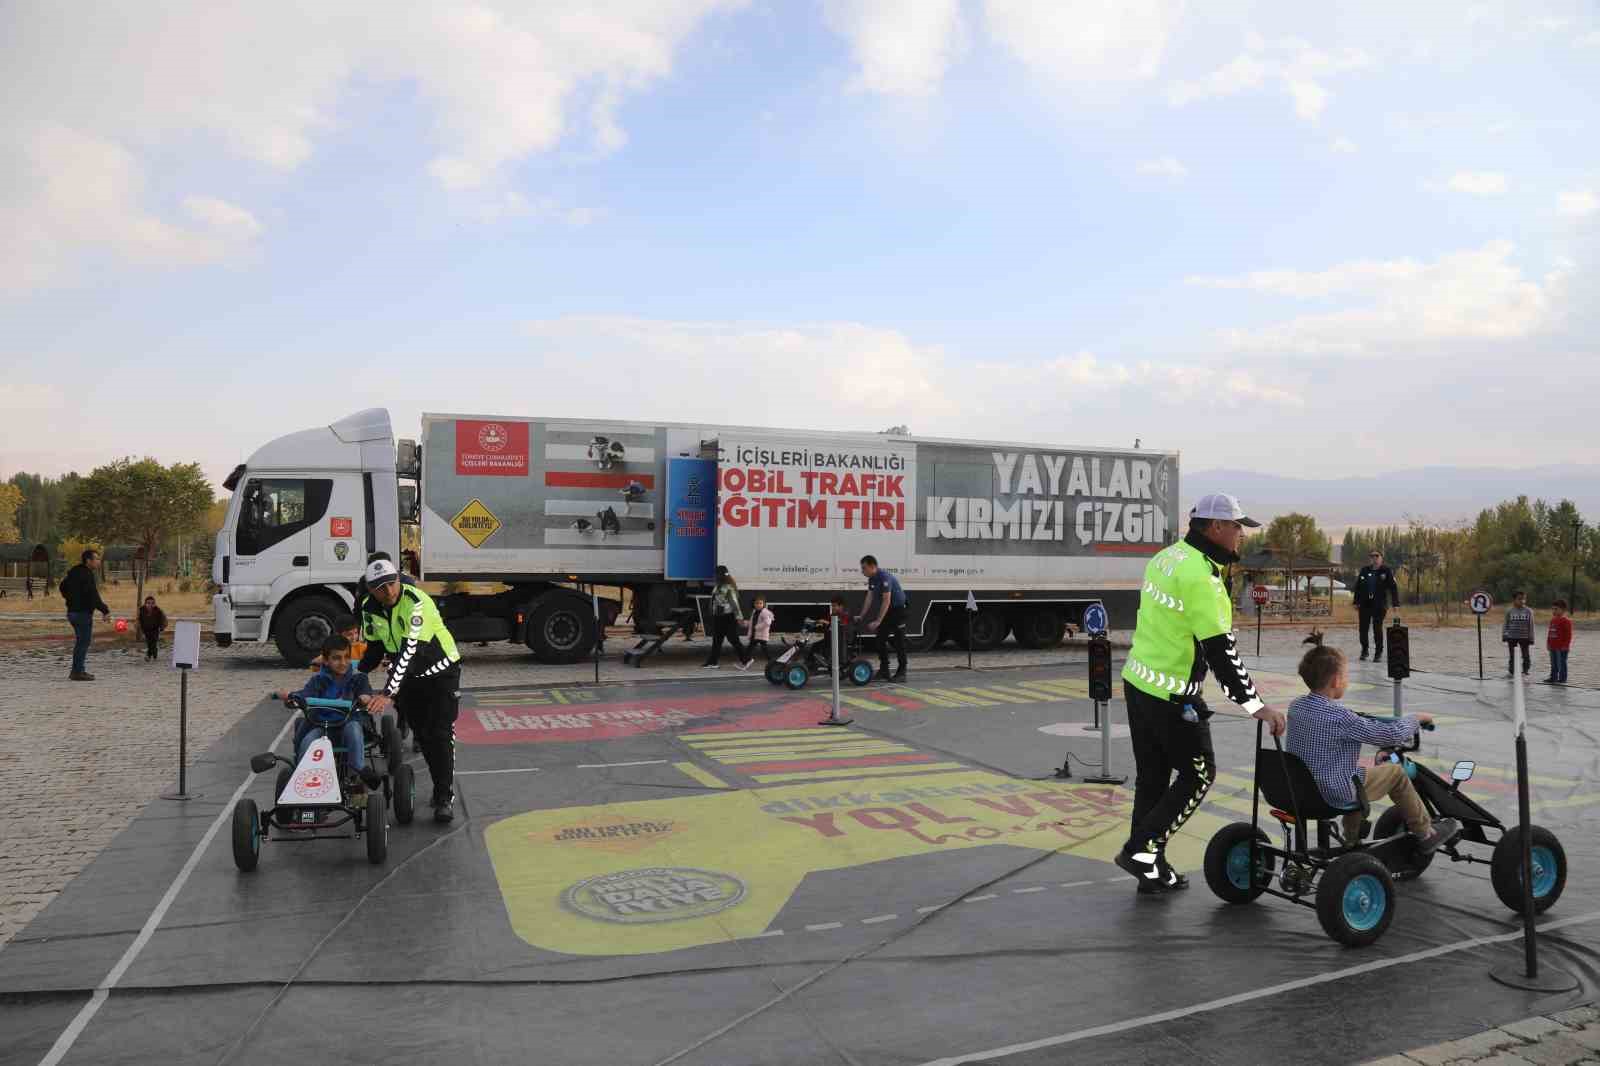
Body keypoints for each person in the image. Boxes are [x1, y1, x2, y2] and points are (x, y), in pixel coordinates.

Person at [1117, 494, 1287, 894]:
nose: (1241, 535)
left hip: (1139, 681)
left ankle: (1148, 866)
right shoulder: (1202, 578)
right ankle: (1142, 849)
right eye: (1236, 527)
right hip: (1172, 694)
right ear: (1214, 528)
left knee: (1154, 778)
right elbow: (1220, 652)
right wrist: (1255, 705)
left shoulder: (1166, 557)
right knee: (1198, 774)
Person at [1286, 645, 1460, 853]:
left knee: (1358, 774)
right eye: (1346, 675)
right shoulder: (1341, 717)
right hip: (1332, 792)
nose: (1347, 680)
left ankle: (1351, 840)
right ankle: (1425, 832)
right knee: (1394, 772)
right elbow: (1390, 735)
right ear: (1336, 681)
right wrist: (1416, 719)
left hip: (1298, 787)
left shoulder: (1296, 706)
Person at [359, 559, 463, 822]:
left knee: (440, 734)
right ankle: (440, 788)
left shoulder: (417, 603)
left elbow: (408, 653)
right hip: (408, 679)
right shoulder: (368, 609)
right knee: (423, 735)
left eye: (391, 583)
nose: (389, 591)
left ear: (398, 579)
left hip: (440, 673)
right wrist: (352, 674)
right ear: (371, 590)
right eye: (380, 587)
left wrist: (386, 693)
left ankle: (444, 797)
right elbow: (374, 649)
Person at [285, 634, 381, 789]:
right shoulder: (318, 681)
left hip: (347, 724)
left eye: (346, 657)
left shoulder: (358, 678)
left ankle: (359, 767)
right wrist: (292, 698)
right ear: (325, 660)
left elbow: (365, 693)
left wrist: (365, 698)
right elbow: (305, 694)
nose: (343, 663)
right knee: (307, 740)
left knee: (354, 729)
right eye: (336, 658)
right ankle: (302, 773)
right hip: (322, 726)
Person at [59, 549, 110, 681]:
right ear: (88, 561)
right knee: (83, 642)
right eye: (97, 559)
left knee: (80, 642)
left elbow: (62, 586)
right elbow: (92, 595)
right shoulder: (87, 574)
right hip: (82, 613)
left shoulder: (73, 573)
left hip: (72, 613)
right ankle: (77, 672)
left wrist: (70, 599)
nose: (99, 562)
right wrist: (104, 610)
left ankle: (77, 670)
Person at [859, 555, 907, 682]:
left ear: (872, 566)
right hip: (888, 610)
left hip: (898, 610)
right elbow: (869, 598)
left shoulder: (884, 577)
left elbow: (886, 601)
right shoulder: (872, 579)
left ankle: (902, 672)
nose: (862, 571)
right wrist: (861, 615)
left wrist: (878, 621)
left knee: (899, 642)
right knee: (880, 640)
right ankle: (884, 670)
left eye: (864, 568)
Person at [1351, 549, 1400, 662]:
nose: (1374, 558)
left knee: (1377, 628)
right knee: (1363, 629)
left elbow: (1393, 588)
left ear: (1381, 558)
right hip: (1365, 604)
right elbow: (1358, 587)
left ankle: (1378, 653)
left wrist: (1395, 603)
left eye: (1377, 556)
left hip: (1379, 605)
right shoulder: (1364, 570)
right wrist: (1356, 602)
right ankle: (1364, 650)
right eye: (1372, 556)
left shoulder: (1386, 571)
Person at [702, 566, 752, 670]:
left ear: (720, 575)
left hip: (728, 617)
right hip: (719, 617)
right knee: (717, 640)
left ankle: (746, 659)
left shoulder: (729, 587)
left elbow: (734, 604)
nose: (714, 576)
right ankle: (713, 662)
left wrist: (739, 618)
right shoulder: (718, 586)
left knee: (733, 639)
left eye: (716, 574)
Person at [1503, 590, 1534, 677]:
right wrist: (1504, 635)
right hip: (1512, 637)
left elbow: (1531, 625)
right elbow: (1506, 623)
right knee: (1512, 655)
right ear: (1514, 600)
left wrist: (1531, 638)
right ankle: (1512, 671)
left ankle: (1525, 670)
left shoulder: (1529, 611)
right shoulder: (1509, 611)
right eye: (1519, 599)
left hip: (1524, 637)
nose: (1522, 601)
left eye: (1524, 599)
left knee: (1526, 655)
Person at [1544, 599, 1573, 685]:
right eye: (1553, 609)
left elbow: (1569, 635)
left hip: (1562, 648)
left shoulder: (1566, 621)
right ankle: (1553, 677)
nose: (1554, 611)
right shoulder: (1553, 620)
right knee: (1553, 663)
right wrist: (1548, 643)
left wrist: (1565, 645)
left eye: (1556, 609)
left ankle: (1562, 679)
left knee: (1561, 663)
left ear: (1563, 610)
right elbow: (1550, 632)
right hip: (1553, 646)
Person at [138, 595, 167, 662]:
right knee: (149, 643)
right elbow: (138, 619)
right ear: (145, 604)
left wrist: (162, 627)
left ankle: (148, 656)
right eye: (148, 603)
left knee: (153, 642)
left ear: (154, 604)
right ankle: (154, 653)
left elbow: (164, 619)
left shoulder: (158, 610)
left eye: (152, 603)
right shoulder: (141, 610)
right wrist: (138, 626)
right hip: (145, 629)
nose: (150, 605)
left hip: (155, 629)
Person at [748, 596, 775, 661]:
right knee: (750, 648)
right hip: (756, 634)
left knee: (764, 650)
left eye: (760, 603)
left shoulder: (764, 612)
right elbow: (753, 621)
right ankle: (746, 661)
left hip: (761, 635)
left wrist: (757, 627)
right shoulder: (755, 612)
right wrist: (746, 623)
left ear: (763, 604)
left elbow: (768, 622)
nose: (758, 605)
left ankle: (772, 661)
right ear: (754, 604)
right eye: (756, 603)